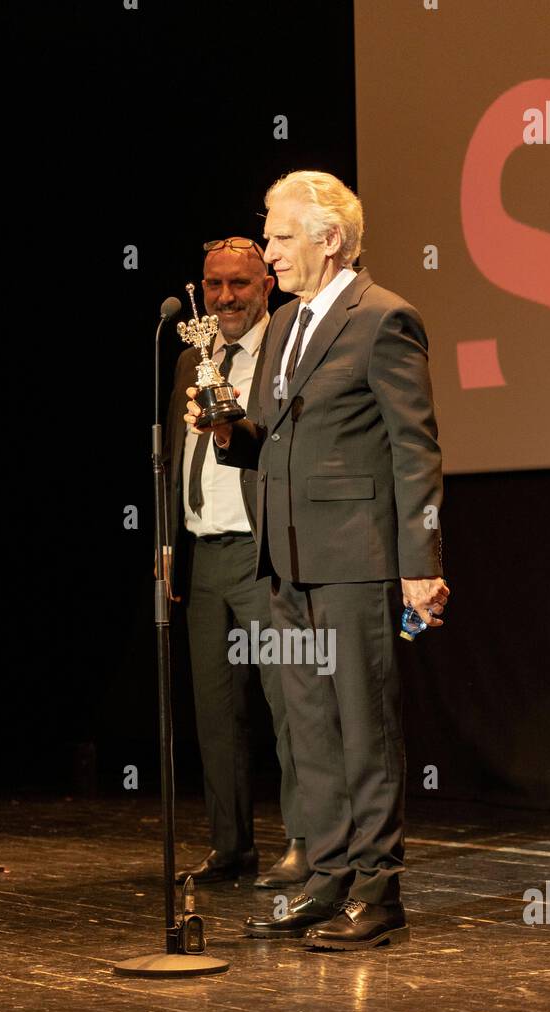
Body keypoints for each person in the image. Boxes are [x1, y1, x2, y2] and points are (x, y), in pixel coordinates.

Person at [185, 172, 449, 949]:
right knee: (310, 730)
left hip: (358, 559)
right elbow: (276, 443)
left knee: (364, 727)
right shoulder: (289, 325)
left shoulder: (384, 319)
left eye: (277, 236)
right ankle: (327, 878)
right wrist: (231, 435)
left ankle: (379, 889)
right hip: (286, 561)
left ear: (328, 238)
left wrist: (420, 561)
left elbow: (416, 451)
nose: (268, 250)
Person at [165, 237, 307, 888]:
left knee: (287, 704)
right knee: (215, 713)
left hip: (263, 550)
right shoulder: (193, 356)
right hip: (204, 553)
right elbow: (172, 461)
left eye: (240, 285)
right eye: (214, 284)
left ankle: (306, 845)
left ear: (266, 287)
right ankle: (231, 847)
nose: (225, 297)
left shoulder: (285, 353)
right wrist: (167, 547)